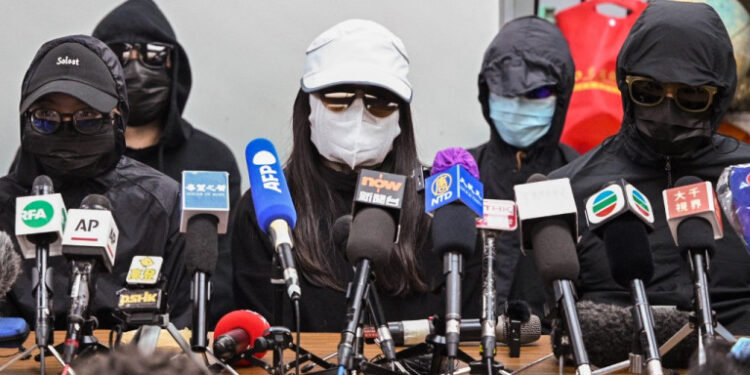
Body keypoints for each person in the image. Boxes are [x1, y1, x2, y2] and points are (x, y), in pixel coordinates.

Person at [549, 1, 750, 334]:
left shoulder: (745, 179)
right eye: (649, 91)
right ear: (625, 86)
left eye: (692, 96)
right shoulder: (570, 187)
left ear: (720, 96)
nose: (667, 110)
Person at [231, 19, 441, 331]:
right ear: (309, 107)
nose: (359, 113)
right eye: (338, 98)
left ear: (401, 117)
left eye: (379, 102)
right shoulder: (268, 207)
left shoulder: (437, 205)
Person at [0, 35, 190, 329]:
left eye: (87, 116)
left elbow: (182, 331)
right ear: (26, 119)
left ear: (118, 119)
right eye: (47, 117)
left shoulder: (163, 203)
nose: (67, 128)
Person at [92, 0, 241, 325]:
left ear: (174, 64)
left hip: (185, 340)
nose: (135, 68)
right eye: (118, 54)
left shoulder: (212, 160)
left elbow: (222, 274)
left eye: (153, 54)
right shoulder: (63, 157)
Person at [466, 16, 578, 321]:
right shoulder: (460, 176)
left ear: (562, 97)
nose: (518, 104)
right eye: (506, 90)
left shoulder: (581, 179)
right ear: (486, 91)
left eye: (537, 93)